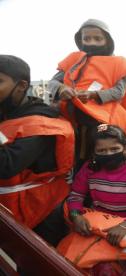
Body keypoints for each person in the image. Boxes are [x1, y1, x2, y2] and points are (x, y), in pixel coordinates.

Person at [0, 55, 75, 245]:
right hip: (12, 206)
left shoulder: (41, 124)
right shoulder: (8, 112)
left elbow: (6, 165)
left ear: (22, 86)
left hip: (41, 211)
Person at [48, 19, 126, 166]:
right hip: (71, 120)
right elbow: (53, 82)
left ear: (107, 40)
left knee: (98, 159)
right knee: (73, 159)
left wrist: (93, 95)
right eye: (87, 38)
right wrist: (62, 89)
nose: (92, 42)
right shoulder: (73, 60)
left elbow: (119, 92)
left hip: (102, 122)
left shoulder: (120, 63)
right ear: (80, 40)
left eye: (98, 39)